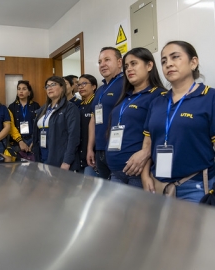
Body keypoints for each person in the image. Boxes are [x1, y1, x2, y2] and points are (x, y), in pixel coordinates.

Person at [141, 40, 215, 203]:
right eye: (164, 61)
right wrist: (145, 175)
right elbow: (148, 143)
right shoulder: (157, 102)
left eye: (175, 57)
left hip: (194, 187)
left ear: (193, 62)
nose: (168, 64)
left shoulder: (209, 97)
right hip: (157, 184)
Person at [105, 47, 165, 187]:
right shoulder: (125, 97)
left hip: (138, 172)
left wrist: (146, 152)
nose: (129, 69)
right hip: (115, 170)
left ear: (149, 65)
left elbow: (163, 134)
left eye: (134, 63)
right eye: (126, 66)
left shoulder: (159, 95)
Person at [86, 47, 124, 179]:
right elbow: (93, 119)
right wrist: (90, 148)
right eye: (100, 61)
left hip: (119, 149)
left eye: (107, 60)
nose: (103, 64)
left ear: (119, 62)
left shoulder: (126, 84)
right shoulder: (100, 90)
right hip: (100, 150)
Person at [32, 76, 80, 171]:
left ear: (62, 87)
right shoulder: (43, 109)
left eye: (53, 85)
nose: (49, 88)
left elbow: (73, 137)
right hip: (42, 156)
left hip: (60, 159)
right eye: (47, 86)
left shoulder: (70, 108)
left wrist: (67, 161)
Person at [8, 80, 40, 153]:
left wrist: (34, 141)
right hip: (17, 141)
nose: (21, 91)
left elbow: (38, 125)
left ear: (29, 92)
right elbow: (11, 126)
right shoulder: (12, 107)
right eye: (19, 89)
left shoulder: (35, 106)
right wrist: (20, 141)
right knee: (19, 163)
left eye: (24, 89)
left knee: (34, 163)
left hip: (33, 139)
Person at [77, 74, 98, 176]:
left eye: (84, 84)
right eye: (79, 85)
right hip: (81, 154)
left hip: (93, 154)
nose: (81, 87)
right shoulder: (80, 105)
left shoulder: (97, 103)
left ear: (94, 86)